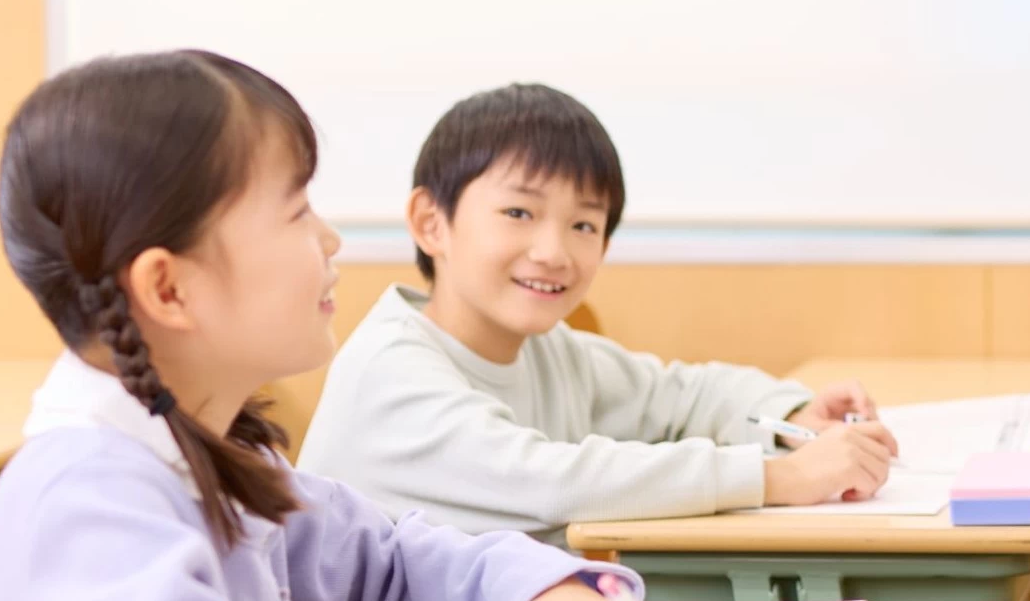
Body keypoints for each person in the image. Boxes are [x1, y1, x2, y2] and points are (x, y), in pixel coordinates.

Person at [0, 51, 739, 601]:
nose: (331, 238)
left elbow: (386, 565)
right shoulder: (86, 495)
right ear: (170, 289)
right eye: (297, 212)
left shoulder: (214, 449)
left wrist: (532, 586)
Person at [299, 82, 897, 541]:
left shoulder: (544, 348)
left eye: (584, 223)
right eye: (518, 214)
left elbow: (683, 396)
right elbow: (550, 482)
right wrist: (778, 479)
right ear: (432, 223)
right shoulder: (390, 372)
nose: (554, 252)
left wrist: (791, 416)